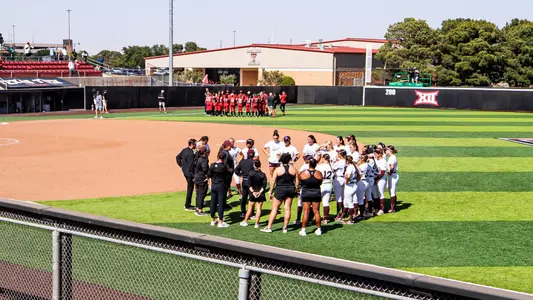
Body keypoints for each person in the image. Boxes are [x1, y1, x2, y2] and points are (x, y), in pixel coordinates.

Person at [261, 153, 299, 233]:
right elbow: (297, 182)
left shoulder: (278, 169)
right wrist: (296, 190)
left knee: (274, 209)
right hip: (290, 189)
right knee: (287, 208)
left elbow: (272, 182)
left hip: (280, 190)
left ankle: (269, 227)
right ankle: (285, 228)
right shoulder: (294, 169)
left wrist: (270, 191)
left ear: (281, 159)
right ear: (289, 160)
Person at [299, 158, 323, 236]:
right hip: (316, 193)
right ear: (316, 164)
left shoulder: (303, 173)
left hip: (306, 194)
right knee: (316, 212)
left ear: (309, 164)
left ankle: (303, 230)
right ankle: (319, 229)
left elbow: (299, 182)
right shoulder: (319, 173)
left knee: (306, 212)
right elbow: (320, 182)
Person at [239, 159, 267, 228]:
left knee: (250, 208)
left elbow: (249, 184)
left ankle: (245, 221)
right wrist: (259, 192)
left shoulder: (251, 173)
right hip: (261, 194)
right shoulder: (263, 175)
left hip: (252, 193)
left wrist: (253, 192)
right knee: (259, 209)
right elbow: (264, 185)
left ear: (254, 165)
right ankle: (257, 224)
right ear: (260, 165)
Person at [208, 151, 231, 228]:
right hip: (221, 185)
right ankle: (220, 221)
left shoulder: (212, 165)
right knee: (220, 203)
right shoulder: (224, 167)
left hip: (213, 185)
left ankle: (212, 220)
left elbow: (209, 175)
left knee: (213, 202)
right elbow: (227, 177)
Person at [176, 139, 197, 211]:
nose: (196, 145)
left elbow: (177, 157)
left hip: (185, 172)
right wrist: (194, 175)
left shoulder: (184, 150)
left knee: (190, 188)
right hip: (190, 174)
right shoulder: (191, 153)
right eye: (195, 144)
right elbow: (192, 165)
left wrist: (181, 165)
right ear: (192, 144)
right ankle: (187, 205)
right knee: (190, 189)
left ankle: (188, 204)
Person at [340, 155, 361, 224]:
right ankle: (343, 216)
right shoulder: (354, 166)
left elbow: (348, 176)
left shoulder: (350, 167)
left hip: (350, 186)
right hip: (354, 185)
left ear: (347, 161)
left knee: (350, 203)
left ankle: (351, 220)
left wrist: (346, 181)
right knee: (347, 202)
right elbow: (359, 176)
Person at [235, 149, 256, 217]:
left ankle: (243, 212)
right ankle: (252, 213)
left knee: (244, 198)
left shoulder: (242, 162)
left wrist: (241, 175)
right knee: (252, 198)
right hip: (252, 182)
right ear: (253, 155)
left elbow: (236, 170)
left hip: (244, 181)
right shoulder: (254, 162)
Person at [316, 153, 333, 224]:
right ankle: (325, 219)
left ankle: (317, 217)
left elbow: (316, 175)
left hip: (321, 185)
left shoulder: (320, 166)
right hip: (329, 185)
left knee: (316, 201)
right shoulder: (331, 167)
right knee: (326, 203)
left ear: (323, 158)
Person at [193, 147, 209, 216]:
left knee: (198, 193)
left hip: (197, 177)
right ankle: (200, 210)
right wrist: (207, 176)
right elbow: (205, 168)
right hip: (202, 178)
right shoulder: (204, 159)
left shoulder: (198, 158)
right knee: (202, 193)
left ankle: (197, 208)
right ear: (204, 152)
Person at [333, 150, 347, 220]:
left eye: (338, 153)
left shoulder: (338, 162)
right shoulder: (347, 162)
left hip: (338, 179)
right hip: (345, 179)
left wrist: (335, 161)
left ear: (340, 155)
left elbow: (332, 169)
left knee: (339, 198)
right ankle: (344, 214)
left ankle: (338, 214)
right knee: (344, 197)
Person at [373, 149, 388, 216]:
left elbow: (382, 172)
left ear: (379, 154)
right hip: (377, 178)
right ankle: (377, 208)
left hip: (382, 179)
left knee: (380, 193)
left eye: (376, 154)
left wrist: (376, 179)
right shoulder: (377, 160)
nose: (375, 155)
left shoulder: (383, 161)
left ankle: (382, 209)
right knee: (376, 193)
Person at [386, 146, 399, 213]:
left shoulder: (391, 158)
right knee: (392, 191)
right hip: (394, 175)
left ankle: (392, 208)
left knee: (392, 191)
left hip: (393, 176)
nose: (386, 151)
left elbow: (392, 167)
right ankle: (393, 206)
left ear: (390, 151)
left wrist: (389, 173)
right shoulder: (393, 157)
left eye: (386, 150)